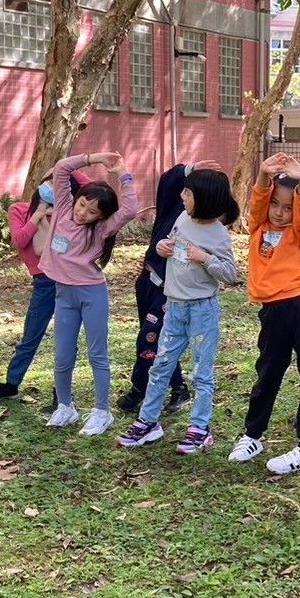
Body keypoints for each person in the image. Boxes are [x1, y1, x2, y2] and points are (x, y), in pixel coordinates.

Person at [118, 168, 240, 453]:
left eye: (187, 192)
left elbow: (231, 274)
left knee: (201, 372)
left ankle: (200, 428)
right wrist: (162, 246)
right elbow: (171, 243)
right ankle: (148, 422)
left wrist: (205, 258)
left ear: (205, 199)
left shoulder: (219, 234)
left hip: (202, 311)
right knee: (160, 366)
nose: (182, 196)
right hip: (173, 307)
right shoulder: (182, 218)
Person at [228, 153, 300, 474]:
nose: (281, 213)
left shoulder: (299, 233)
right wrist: (261, 174)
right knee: (267, 374)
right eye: (276, 205)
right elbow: (257, 201)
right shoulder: (259, 225)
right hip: (273, 313)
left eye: (288, 208)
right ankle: (253, 435)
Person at [45, 150, 140, 437]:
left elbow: (131, 210)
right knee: (62, 355)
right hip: (64, 295)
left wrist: (123, 173)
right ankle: (65, 406)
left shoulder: (101, 229)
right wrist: (94, 158)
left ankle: (102, 412)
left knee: (97, 354)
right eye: (82, 203)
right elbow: (61, 168)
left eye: (92, 211)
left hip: (91, 294)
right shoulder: (63, 206)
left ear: (101, 216)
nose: (82, 212)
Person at [0, 165, 86, 405]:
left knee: (66, 338)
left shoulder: (66, 214)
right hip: (44, 281)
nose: (53, 186)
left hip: (67, 279)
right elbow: (21, 240)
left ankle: (63, 394)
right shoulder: (19, 210)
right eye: (50, 180)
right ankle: (11, 384)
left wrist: (70, 165)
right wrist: (38, 215)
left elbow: (88, 187)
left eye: (59, 182)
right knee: (31, 335)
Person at [117, 161, 216, 416]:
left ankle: (143, 389)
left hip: (169, 290)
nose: (183, 196)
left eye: (190, 193)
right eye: (184, 191)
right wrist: (188, 169)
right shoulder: (171, 209)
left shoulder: (202, 227)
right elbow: (167, 182)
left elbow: (208, 264)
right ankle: (176, 386)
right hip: (148, 281)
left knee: (151, 338)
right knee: (153, 337)